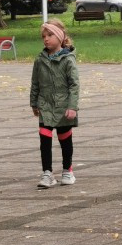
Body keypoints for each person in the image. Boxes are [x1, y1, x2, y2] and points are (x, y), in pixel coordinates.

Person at [30, 19, 79, 188]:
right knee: (44, 138)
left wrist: (72, 106)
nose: (46, 39)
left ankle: (68, 170)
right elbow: (35, 83)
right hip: (45, 105)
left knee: (64, 139)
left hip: (64, 106)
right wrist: (34, 103)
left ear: (60, 37)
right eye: (44, 36)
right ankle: (47, 173)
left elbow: (74, 84)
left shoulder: (68, 60)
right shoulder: (40, 60)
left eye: (50, 35)